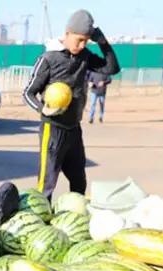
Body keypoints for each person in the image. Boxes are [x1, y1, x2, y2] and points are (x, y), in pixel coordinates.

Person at [22, 9, 119, 202]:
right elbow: (28, 93)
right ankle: (42, 224)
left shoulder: (85, 56)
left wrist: (102, 42)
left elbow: (112, 68)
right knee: (47, 184)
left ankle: (76, 217)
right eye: (79, 40)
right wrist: (43, 109)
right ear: (67, 34)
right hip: (53, 127)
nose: (82, 45)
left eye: (86, 41)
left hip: (74, 128)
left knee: (79, 181)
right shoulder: (49, 58)